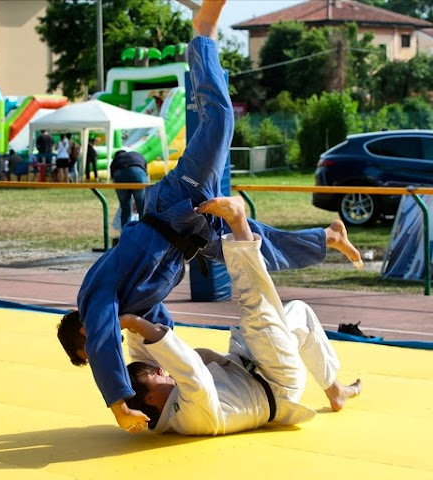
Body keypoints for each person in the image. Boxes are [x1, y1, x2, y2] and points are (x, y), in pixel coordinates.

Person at [56, 0, 363, 434]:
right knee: (257, 250)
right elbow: (162, 339)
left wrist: (119, 403)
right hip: (191, 235)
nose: (109, 356)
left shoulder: (96, 301)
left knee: (218, 123)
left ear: (83, 336)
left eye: (91, 355)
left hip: (172, 210)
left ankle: (202, 32)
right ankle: (327, 236)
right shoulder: (137, 306)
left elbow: (107, 342)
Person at [122, 196, 361, 435]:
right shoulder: (189, 418)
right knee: (257, 311)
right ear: (151, 398)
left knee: (299, 313)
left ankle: (334, 389)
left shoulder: (162, 396)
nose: (162, 371)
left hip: (249, 364)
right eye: (155, 375)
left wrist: (129, 310)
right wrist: (134, 322)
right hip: (277, 383)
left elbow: (144, 356)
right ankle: (238, 222)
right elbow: (191, 370)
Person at [110, 150, 149, 228]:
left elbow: (112, 177)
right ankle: (144, 234)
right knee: (142, 206)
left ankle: (125, 234)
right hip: (137, 171)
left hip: (119, 173)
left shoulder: (116, 160)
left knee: (125, 207)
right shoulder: (137, 154)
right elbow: (145, 173)